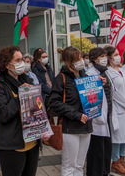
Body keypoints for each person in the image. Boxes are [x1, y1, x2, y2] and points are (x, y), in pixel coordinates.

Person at [0, 46, 50, 176]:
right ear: (7, 65)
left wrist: (43, 127)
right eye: (17, 60)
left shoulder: (28, 81)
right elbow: (2, 114)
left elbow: (37, 109)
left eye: (22, 60)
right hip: (13, 146)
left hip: (32, 143)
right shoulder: (0, 86)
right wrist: (20, 96)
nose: (22, 63)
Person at [49, 46, 92, 176]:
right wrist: (75, 114)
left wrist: (98, 85)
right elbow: (54, 102)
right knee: (69, 165)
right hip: (70, 127)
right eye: (78, 58)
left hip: (86, 126)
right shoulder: (61, 78)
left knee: (79, 165)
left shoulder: (84, 76)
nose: (81, 61)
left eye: (81, 58)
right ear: (69, 61)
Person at [105, 46, 125, 175]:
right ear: (108, 57)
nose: (118, 57)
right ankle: (116, 161)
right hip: (119, 108)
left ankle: (123, 159)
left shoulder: (122, 70)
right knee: (118, 137)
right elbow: (115, 92)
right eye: (116, 54)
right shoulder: (107, 72)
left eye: (119, 54)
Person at [86, 47, 112, 176]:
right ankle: (95, 172)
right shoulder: (90, 73)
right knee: (96, 150)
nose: (105, 58)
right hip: (97, 117)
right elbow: (91, 98)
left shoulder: (103, 72)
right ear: (95, 58)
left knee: (105, 148)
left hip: (106, 115)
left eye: (105, 56)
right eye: (102, 56)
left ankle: (104, 171)